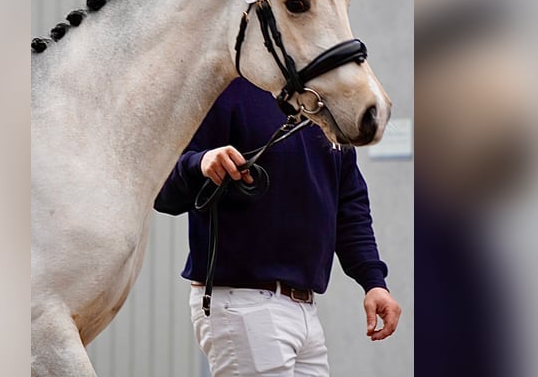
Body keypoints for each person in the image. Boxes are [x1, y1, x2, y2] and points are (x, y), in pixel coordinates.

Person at [155, 78, 401, 377]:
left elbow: (349, 208)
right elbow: (162, 191)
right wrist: (201, 162)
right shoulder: (224, 91)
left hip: (305, 308)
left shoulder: (326, 107)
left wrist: (373, 281)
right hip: (242, 303)